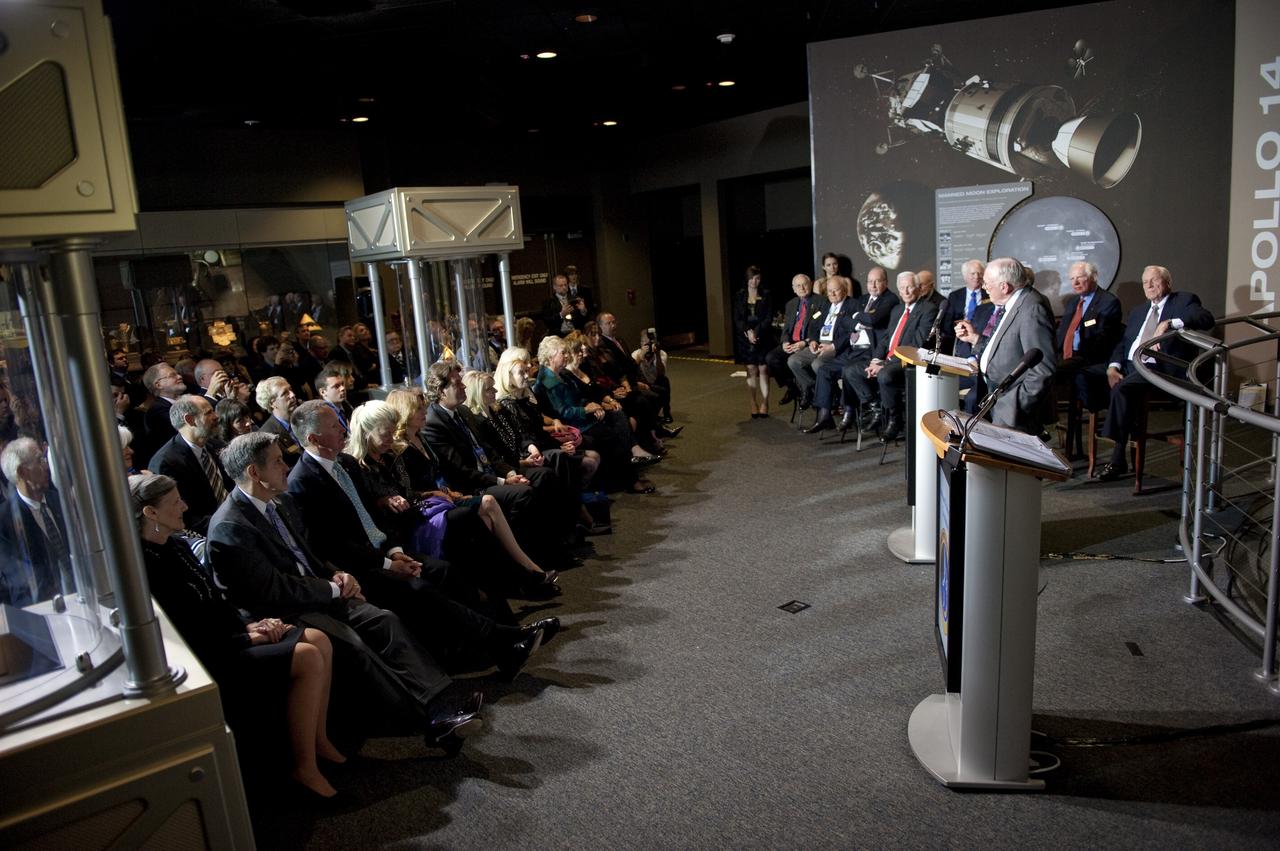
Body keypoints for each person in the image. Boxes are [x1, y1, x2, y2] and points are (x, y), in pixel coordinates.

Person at [207, 433, 485, 753]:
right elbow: (272, 589)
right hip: (280, 611)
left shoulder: (279, 502)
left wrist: (338, 575)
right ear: (254, 473)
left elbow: (308, 555)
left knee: (384, 620)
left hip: (317, 592)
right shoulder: (231, 526)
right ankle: (427, 722)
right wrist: (332, 588)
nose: (287, 466)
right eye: (277, 461)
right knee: (353, 644)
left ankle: (441, 700)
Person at [130, 472, 345, 800]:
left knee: (319, 640)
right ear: (151, 513)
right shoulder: (145, 567)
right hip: (207, 658)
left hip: (229, 638)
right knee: (307, 656)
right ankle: (303, 768)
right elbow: (186, 633)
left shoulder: (174, 547)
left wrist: (251, 626)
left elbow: (213, 602)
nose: (185, 506)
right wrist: (246, 639)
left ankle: (319, 741)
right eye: (175, 502)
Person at [347, 398, 560, 596]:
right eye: (385, 434)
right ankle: (521, 577)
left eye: (393, 433)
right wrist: (385, 501)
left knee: (475, 520)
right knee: (469, 518)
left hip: (418, 513)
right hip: (404, 528)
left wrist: (432, 493)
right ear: (365, 432)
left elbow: (409, 493)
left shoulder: (391, 455)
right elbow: (369, 509)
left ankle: (515, 581)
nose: (391, 439)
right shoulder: (357, 467)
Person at [1094, 265, 1214, 481]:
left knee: (1123, 390)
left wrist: (1169, 323)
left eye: (1154, 280)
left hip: (1160, 369)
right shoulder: (1139, 311)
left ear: (1167, 282)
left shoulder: (1183, 300)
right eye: (1145, 282)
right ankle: (1111, 448)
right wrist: (1113, 366)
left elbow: (1206, 319)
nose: (1148, 285)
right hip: (1132, 367)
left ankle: (1116, 453)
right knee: (1087, 378)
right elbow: (1124, 343)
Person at [534, 335, 654, 494]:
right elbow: (563, 412)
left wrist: (591, 405)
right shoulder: (548, 381)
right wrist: (587, 409)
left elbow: (577, 396)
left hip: (580, 417)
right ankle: (630, 480)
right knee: (611, 436)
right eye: (563, 353)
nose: (566, 356)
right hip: (571, 425)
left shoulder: (558, 374)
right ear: (550, 356)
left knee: (616, 419)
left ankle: (625, 475)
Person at [954, 257, 1058, 434]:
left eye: (987, 284)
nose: (985, 289)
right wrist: (975, 339)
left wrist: (1013, 405)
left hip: (1012, 408)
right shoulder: (1012, 303)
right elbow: (1003, 347)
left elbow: (1042, 370)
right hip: (995, 395)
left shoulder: (1032, 308)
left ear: (1004, 287)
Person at [847, 272, 939, 440]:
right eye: (902, 288)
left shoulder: (928, 309)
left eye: (910, 287)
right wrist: (876, 359)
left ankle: (894, 419)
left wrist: (884, 364)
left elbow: (916, 345)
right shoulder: (897, 310)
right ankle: (876, 407)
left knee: (885, 375)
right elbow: (886, 339)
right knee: (851, 371)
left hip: (907, 361)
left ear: (918, 288)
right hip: (886, 360)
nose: (906, 291)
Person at [0, 438, 70, 607]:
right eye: (39, 461)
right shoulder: (4, 521)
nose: (46, 466)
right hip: (40, 609)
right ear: (22, 472)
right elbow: (20, 579)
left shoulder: (62, 501)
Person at [149, 395, 233, 534]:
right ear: (190, 420)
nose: (216, 416)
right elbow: (186, 516)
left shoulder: (217, 446)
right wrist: (228, 526)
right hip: (209, 533)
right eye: (208, 413)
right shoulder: (167, 463)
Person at [1054, 261, 1124, 414]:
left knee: (1048, 373)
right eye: (1072, 279)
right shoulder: (1073, 302)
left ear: (1094, 277)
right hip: (1066, 355)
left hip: (1088, 357)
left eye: (1080, 277)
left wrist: (1077, 357)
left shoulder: (1108, 302)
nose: (1076, 282)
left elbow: (1104, 339)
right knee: (1037, 368)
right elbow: (1063, 333)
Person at [788, 275, 856, 414]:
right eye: (829, 291)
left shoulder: (852, 305)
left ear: (844, 290)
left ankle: (829, 397)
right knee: (794, 360)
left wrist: (832, 346)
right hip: (819, 344)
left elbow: (851, 332)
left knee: (817, 365)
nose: (831, 294)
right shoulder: (825, 306)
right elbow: (814, 325)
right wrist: (812, 341)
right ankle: (814, 388)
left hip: (836, 347)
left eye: (835, 290)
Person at [731, 266, 775, 418]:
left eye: (757, 278)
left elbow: (768, 318)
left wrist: (757, 331)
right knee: (751, 370)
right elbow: (737, 319)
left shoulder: (767, 294)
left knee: (763, 369)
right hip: (745, 337)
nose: (754, 282)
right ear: (747, 279)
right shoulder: (739, 295)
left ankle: (765, 402)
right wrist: (748, 332)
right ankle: (752, 402)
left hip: (763, 336)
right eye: (751, 278)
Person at [766, 274, 817, 406]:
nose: (802, 288)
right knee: (771, 358)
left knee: (792, 360)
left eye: (804, 284)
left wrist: (804, 342)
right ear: (794, 289)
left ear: (810, 284)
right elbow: (786, 329)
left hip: (807, 343)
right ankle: (792, 387)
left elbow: (820, 328)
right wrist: (785, 342)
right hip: (792, 342)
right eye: (798, 286)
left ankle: (807, 387)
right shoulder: (791, 304)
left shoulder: (820, 302)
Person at [257, 376, 304, 466]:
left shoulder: (303, 416)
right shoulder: (267, 436)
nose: (292, 395)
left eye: (290, 389)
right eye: (285, 393)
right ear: (272, 403)